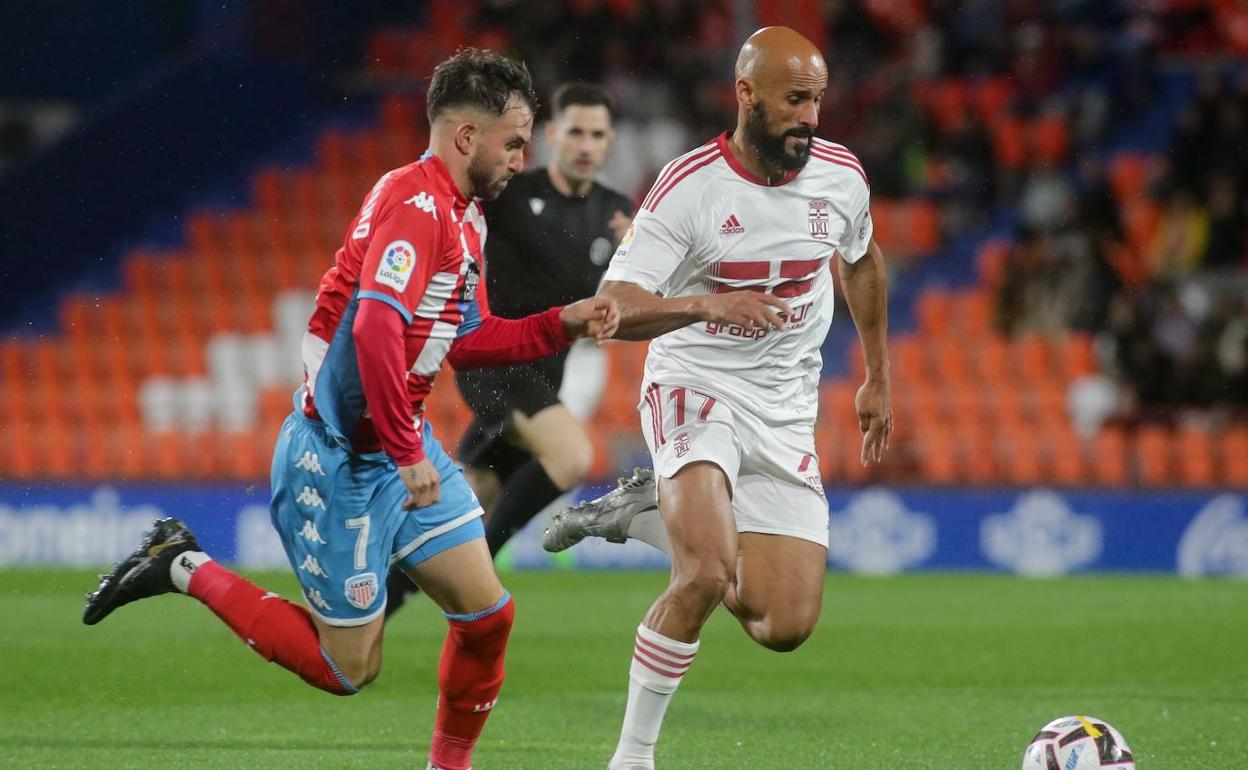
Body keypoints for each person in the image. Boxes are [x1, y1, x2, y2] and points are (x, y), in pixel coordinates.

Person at [82, 49, 618, 770]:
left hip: (397, 444)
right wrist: (405, 451)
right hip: (338, 460)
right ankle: (180, 564)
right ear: (467, 136)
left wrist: (561, 324)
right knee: (348, 668)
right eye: (515, 143)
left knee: (488, 617)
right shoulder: (416, 207)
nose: (523, 160)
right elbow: (372, 328)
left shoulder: (464, 217)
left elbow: (469, 340)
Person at [542, 27, 893, 769]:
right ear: (746, 95)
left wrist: (877, 375)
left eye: (818, 100)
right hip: (694, 384)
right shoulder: (690, 186)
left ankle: (644, 514)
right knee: (703, 572)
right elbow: (612, 309)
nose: (810, 117)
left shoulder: (841, 177)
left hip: (784, 403)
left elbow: (861, 261)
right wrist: (706, 304)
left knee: (783, 625)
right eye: (795, 101)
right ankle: (632, 757)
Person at [385, 82, 632, 616]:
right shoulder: (511, 191)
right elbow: (452, 208)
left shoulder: (616, 215)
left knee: (471, 503)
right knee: (572, 455)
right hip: (495, 362)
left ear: (610, 141)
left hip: (547, 378)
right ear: (553, 134)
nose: (586, 145)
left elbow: (632, 293)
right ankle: (481, 574)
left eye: (597, 135)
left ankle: (376, 604)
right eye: (576, 132)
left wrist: (633, 251)